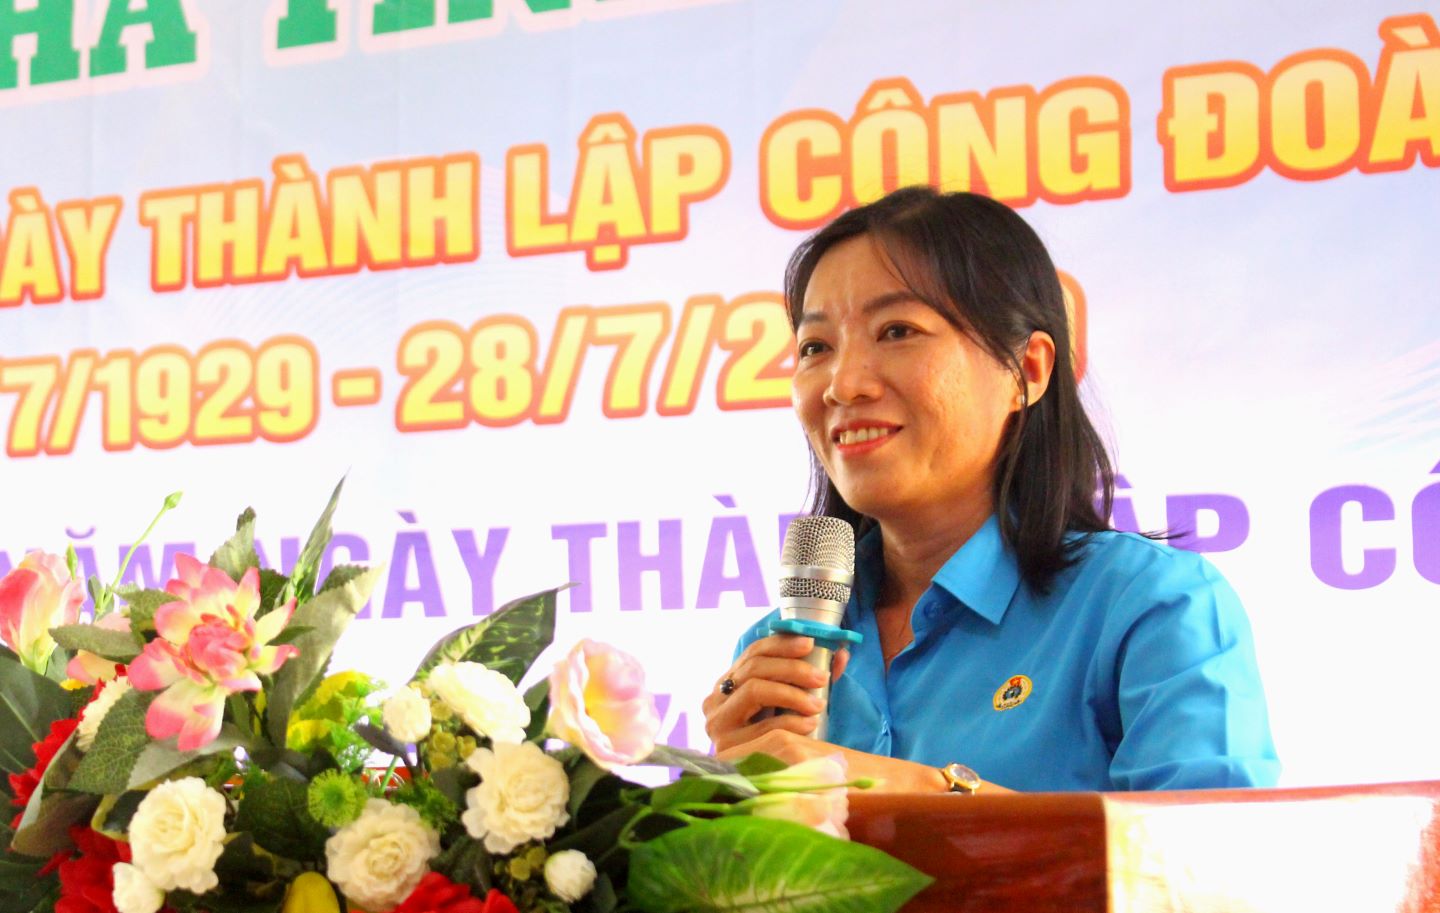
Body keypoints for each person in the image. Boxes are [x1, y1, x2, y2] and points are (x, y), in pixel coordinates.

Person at [702, 187, 1279, 793]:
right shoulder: (777, 652)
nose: (843, 385)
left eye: (897, 331)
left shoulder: (1149, 605)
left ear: (1026, 370)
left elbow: (1210, 871)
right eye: (815, 348)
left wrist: (918, 790)